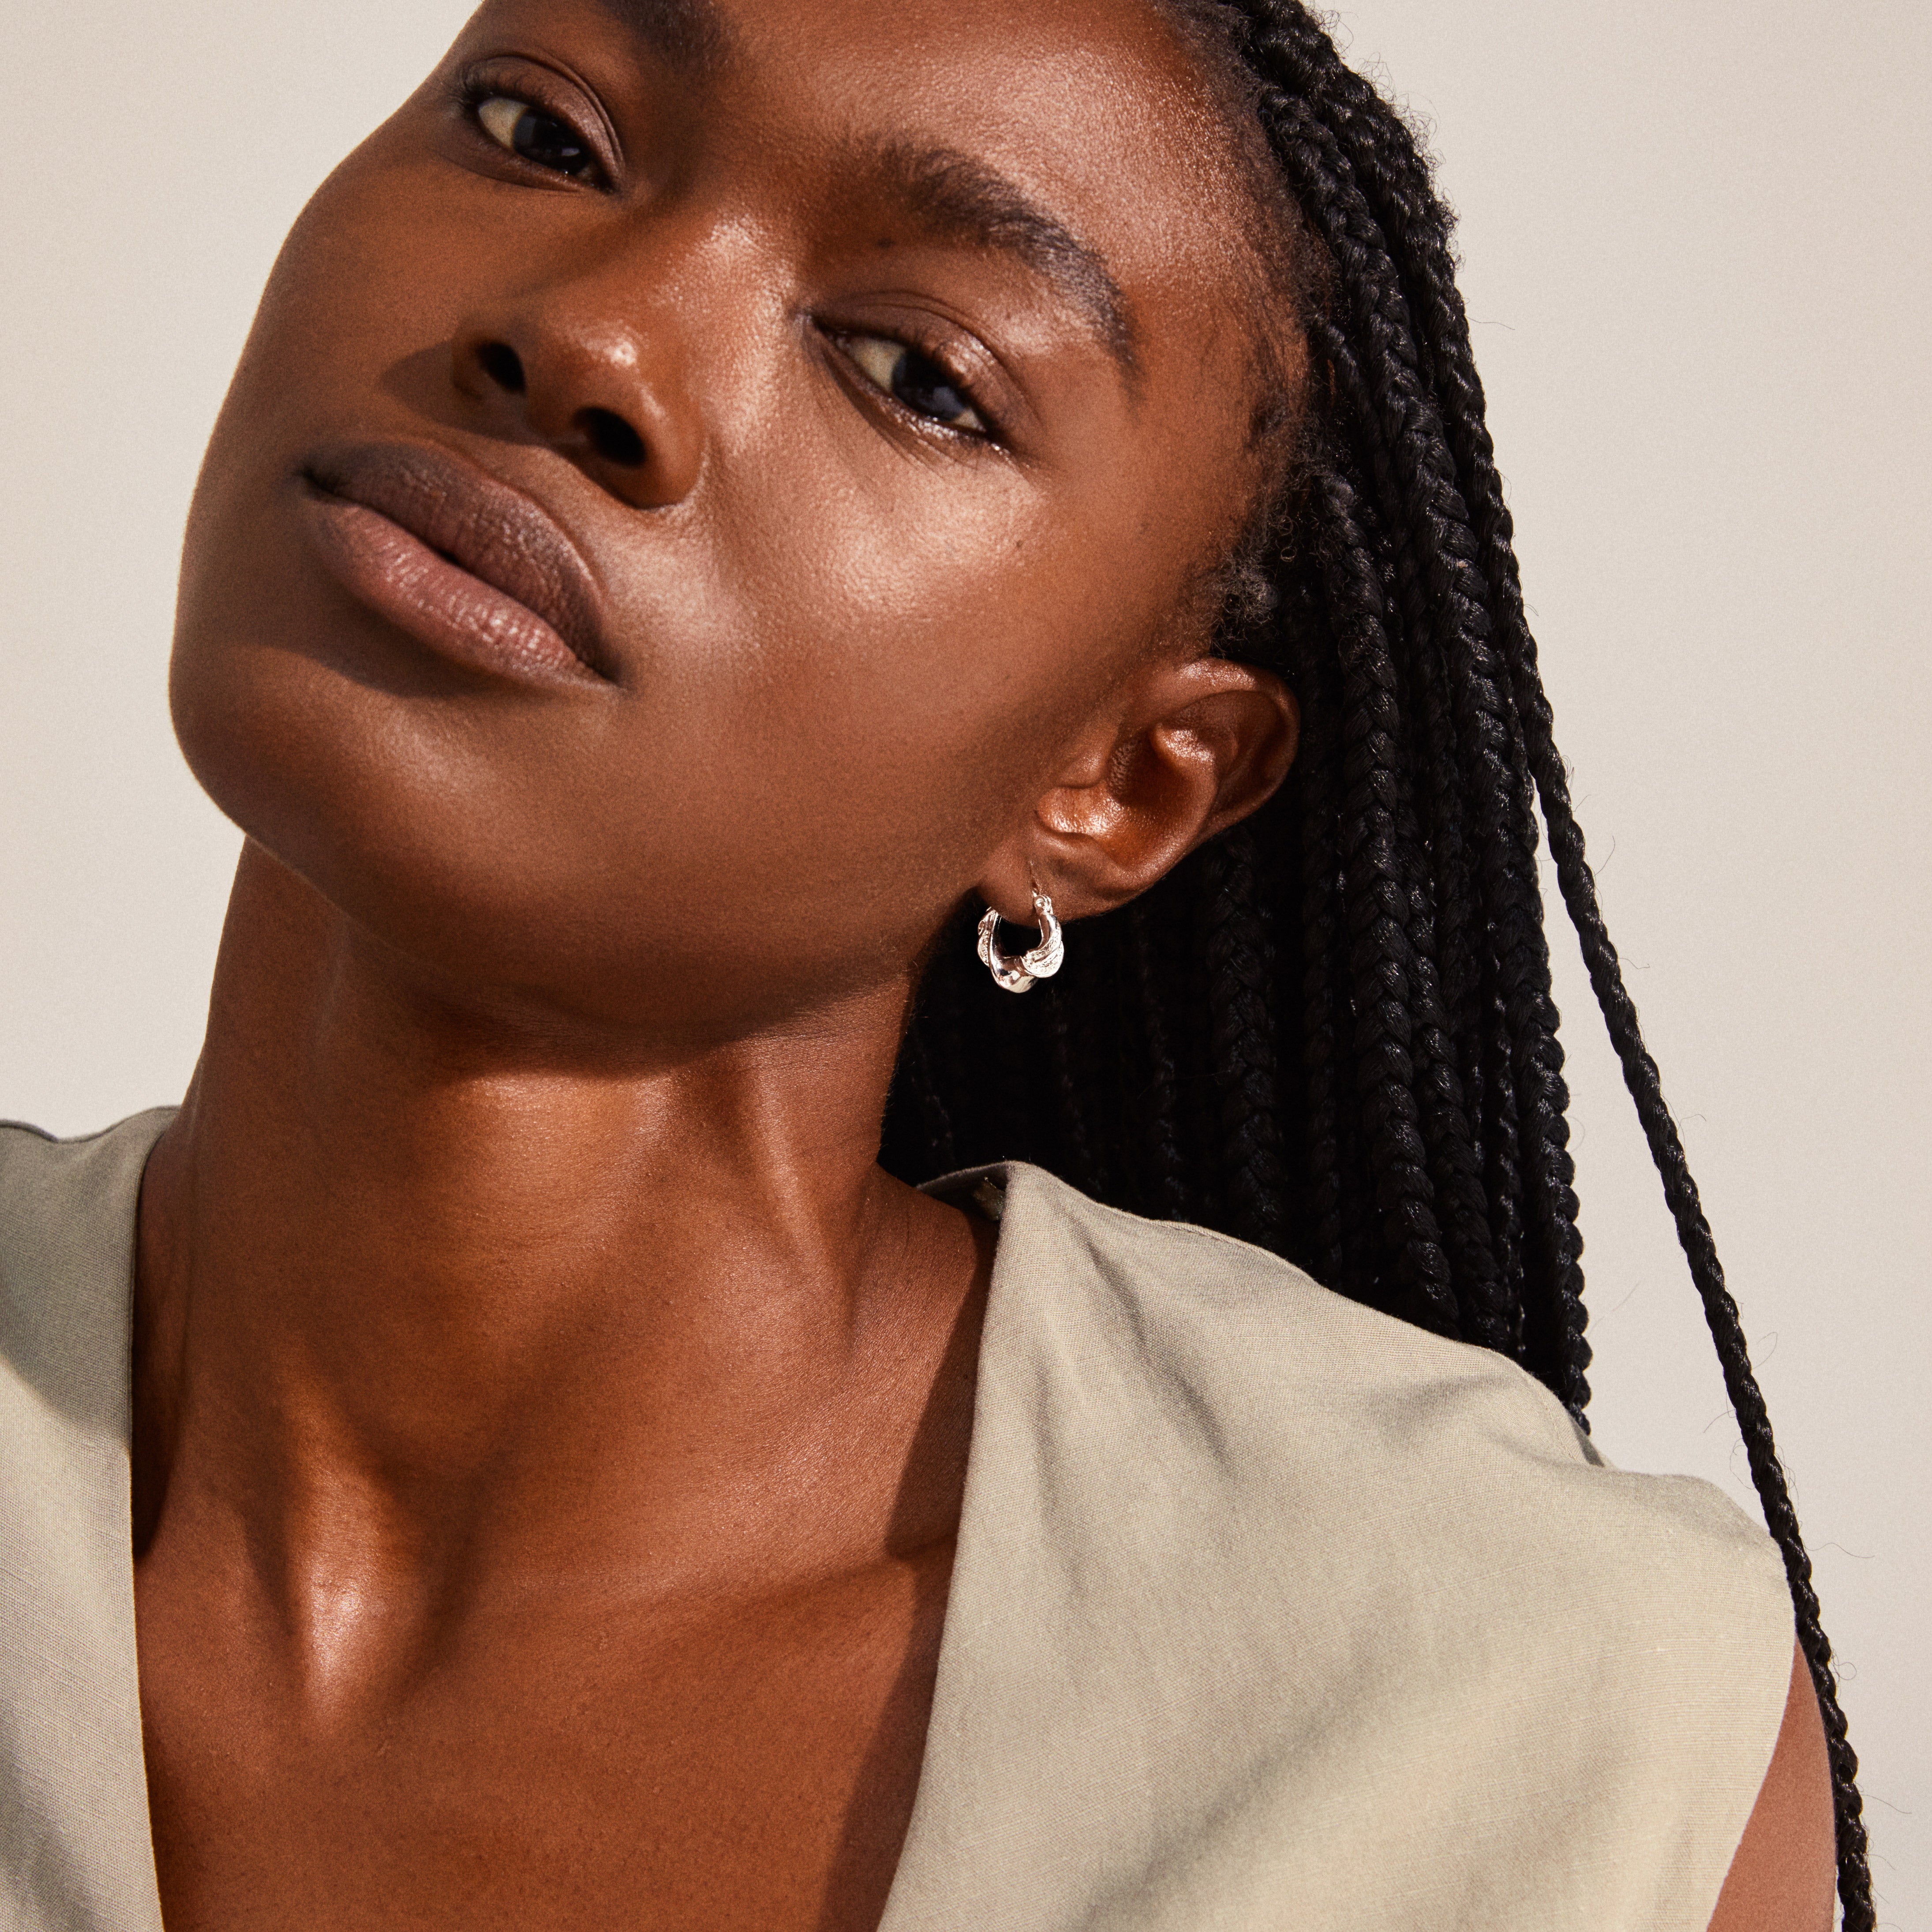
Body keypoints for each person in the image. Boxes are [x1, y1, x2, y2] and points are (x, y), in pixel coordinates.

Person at [0, 0, 1870, 1926]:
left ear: (1118, 782)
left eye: (916, 371)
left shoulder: (1542, 1729)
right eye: (540, 130)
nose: (592, 337)